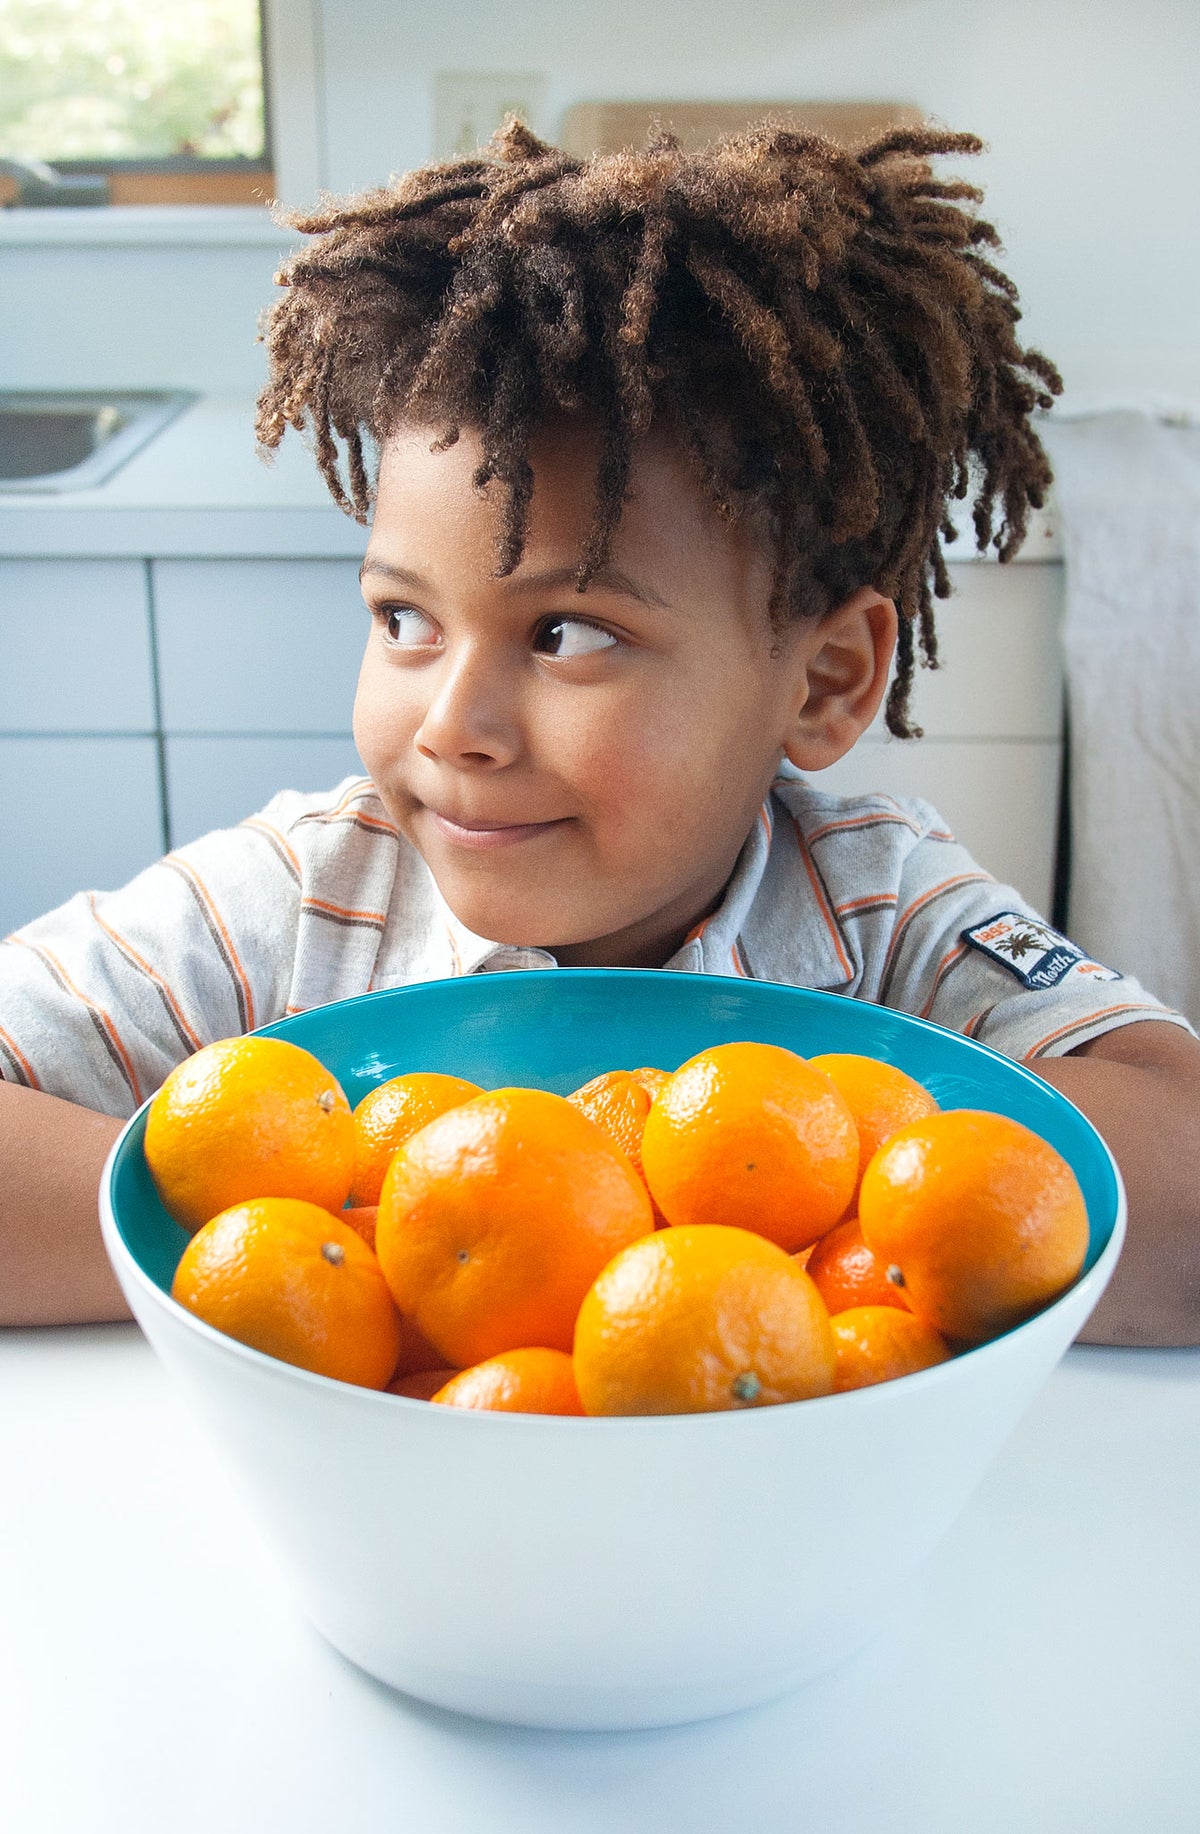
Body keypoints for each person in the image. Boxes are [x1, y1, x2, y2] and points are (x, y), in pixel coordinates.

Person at [2, 122, 1197, 1340]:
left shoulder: (882, 910)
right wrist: (329, 1248)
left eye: (568, 635)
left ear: (825, 682)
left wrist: (762, 1164)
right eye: (405, 619)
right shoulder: (292, 904)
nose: (452, 726)